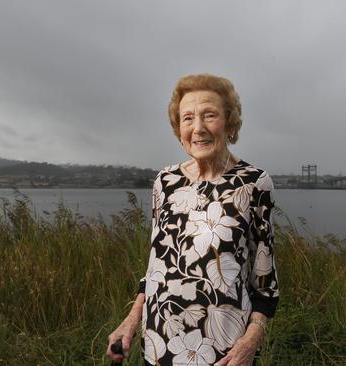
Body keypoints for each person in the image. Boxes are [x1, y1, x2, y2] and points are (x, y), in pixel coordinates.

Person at [106, 74, 279, 366]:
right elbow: (156, 266)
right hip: (159, 345)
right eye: (187, 118)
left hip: (225, 351)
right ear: (179, 128)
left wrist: (251, 341)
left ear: (230, 123)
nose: (197, 128)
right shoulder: (166, 181)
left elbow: (265, 282)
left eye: (209, 115)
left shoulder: (254, 184)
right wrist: (131, 321)